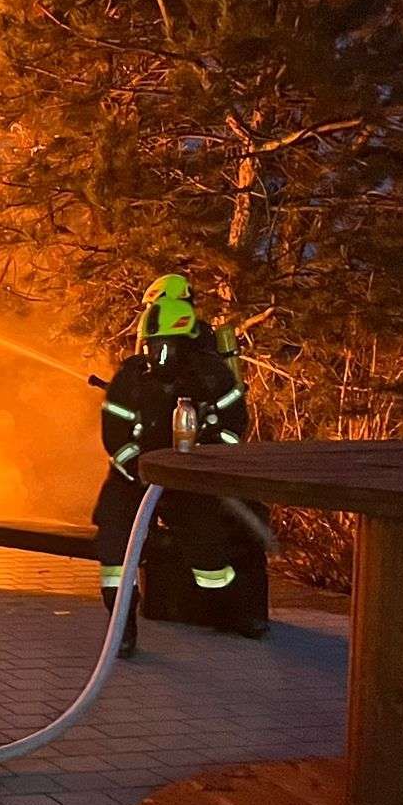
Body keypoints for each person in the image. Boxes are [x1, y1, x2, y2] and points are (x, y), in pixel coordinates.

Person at [92, 273, 260, 655]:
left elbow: (235, 427)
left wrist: (205, 462)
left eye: (162, 345)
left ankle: (232, 610)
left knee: (208, 557)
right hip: (134, 479)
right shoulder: (132, 377)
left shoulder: (212, 376)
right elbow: (114, 434)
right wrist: (135, 467)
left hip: (193, 481)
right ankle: (122, 628)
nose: (156, 353)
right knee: (115, 546)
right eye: (153, 345)